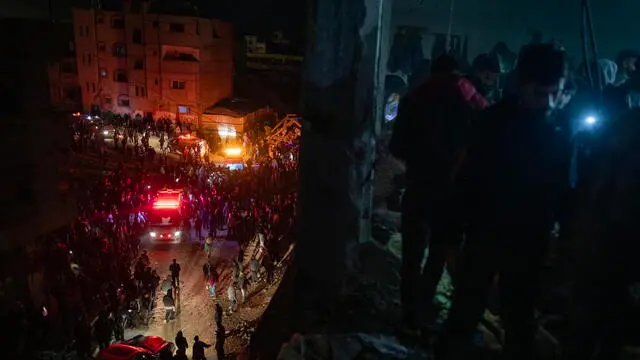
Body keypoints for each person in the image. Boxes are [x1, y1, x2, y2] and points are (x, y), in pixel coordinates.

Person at [435, 43, 572, 360]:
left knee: (520, 321)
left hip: (530, 241)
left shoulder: (560, 132)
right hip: (486, 234)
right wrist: (450, 238)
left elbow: (562, 191)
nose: (549, 103)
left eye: (557, 93)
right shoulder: (492, 124)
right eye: (541, 93)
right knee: (464, 315)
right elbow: (465, 182)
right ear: (522, 86)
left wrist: (564, 238)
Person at [390, 53, 489, 335]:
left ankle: (409, 315)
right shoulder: (469, 98)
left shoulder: (413, 98)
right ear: (458, 72)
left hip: (420, 186)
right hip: (453, 190)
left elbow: (396, 146)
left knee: (411, 254)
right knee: (438, 252)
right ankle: (425, 305)